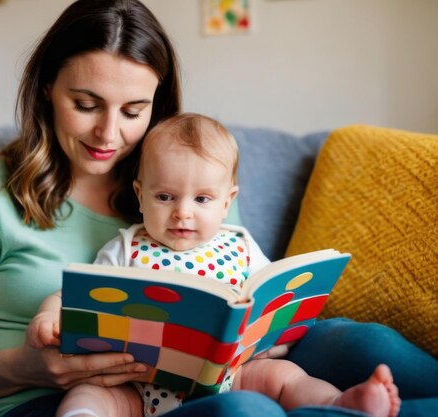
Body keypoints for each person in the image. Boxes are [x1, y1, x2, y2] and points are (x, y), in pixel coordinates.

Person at [0, 1, 438, 417]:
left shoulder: (185, 183)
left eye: (135, 111)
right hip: (66, 402)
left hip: (211, 381)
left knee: (363, 343)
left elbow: (246, 287)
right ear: (46, 92)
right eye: (85, 103)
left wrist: (265, 336)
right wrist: (30, 365)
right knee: (246, 411)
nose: (108, 133)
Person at [26, 113, 401, 417]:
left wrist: (271, 334)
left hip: (232, 377)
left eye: (202, 199)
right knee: (90, 394)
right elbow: (76, 295)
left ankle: (339, 405)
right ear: (140, 195)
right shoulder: (125, 247)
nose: (183, 213)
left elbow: (272, 297)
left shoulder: (240, 244)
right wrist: (47, 316)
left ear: (227, 201)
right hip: (136, 385)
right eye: (165, 196)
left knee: (287, 377)